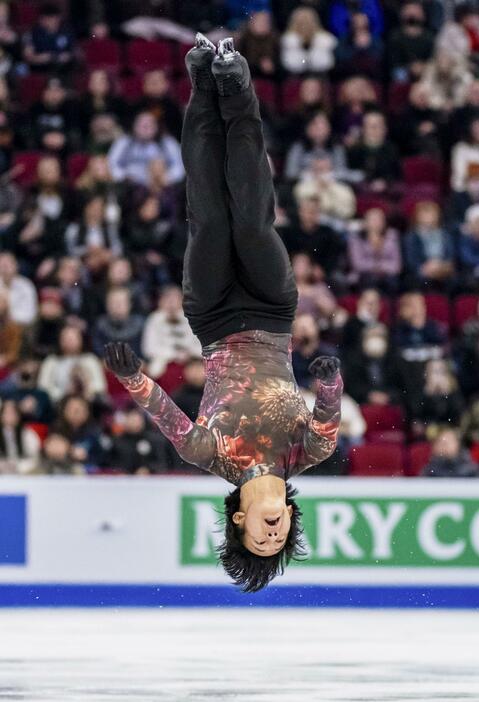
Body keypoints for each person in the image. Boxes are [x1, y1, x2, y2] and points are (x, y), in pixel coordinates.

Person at [104, 36, 343, 593]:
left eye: (260, 539)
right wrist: (328, 381)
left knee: (209, 219)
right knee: (254, 221)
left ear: (239, 520)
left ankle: (201, 85)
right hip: (271, 311)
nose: (272, 532)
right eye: (278, 539)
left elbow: (165, 413)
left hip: (211, 318)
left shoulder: (209, 454)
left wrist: (130, 375)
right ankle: (235, 85)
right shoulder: (309, 451)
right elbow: (329, 406)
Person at [108, 111, 184, 186]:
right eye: (142, 125)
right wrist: (123, 176)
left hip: (162, 185)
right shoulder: (124, 142)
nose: (146, 128)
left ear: (157, 126)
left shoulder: (167, 142)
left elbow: (180, 166)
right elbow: (111, 163)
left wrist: (169, 177)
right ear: (134, 126)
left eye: (150, 125)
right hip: (130, 186)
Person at [142, 285, 201, 379]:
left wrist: (190, 353)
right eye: (168, 299)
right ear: (161, 301)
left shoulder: (192, 318)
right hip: (163, 363)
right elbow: (149, 348)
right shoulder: (154, 319)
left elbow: (200, 345)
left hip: (191, 362)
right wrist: (173, 354)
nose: (172, 303)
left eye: (175, 299)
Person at [403, 201, 455, 289]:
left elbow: (450, 256)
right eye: (425, 214)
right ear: (417, 216)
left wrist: (441, 266)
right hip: (422, 271)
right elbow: (412, 261)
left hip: (442, 269)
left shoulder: (445, 235)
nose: (428, 218)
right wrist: (427, 268)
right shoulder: (411, 236)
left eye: (431, 214)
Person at [280, 7, 337, 74]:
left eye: (308, 21)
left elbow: (327, 64)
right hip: (294, 78)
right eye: (301, 22)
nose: (305, 25)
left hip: (321, 77)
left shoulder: (325, 41)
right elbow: (290, 65)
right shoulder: (288, 41)